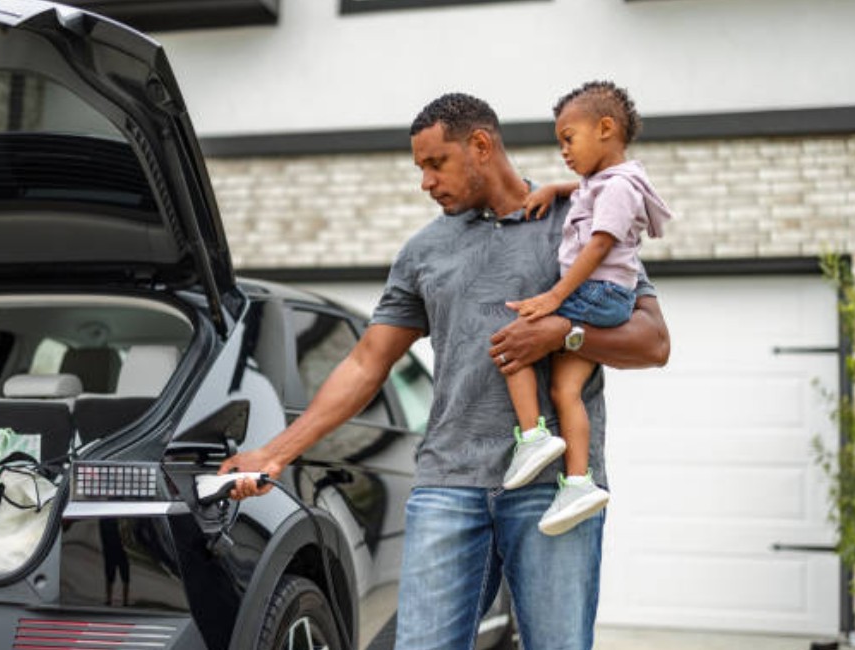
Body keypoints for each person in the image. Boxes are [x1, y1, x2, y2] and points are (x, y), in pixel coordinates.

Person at [221, 92, 670, 650]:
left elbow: (654, 341)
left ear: (480, 145)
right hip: (447, 486)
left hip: (554, 489)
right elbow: (366, 362)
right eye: (420, 169)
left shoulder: (579, 221)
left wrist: (564, 332)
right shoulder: (423, 252)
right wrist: (276, 451)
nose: (426, 182)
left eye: (437, 164)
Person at [500, 81, 673, 539]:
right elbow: (587, 189)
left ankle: (533, 437)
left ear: (605, 129)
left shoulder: (617, 188)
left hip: (598, 292)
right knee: (565, 389)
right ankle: (578, 483)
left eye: (568, 138)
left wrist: (555, 299)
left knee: (516, 338)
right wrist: (556, 189)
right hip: (605, 296)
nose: (563, 150)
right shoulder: (605, 183)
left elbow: (598, 246)